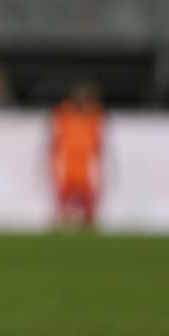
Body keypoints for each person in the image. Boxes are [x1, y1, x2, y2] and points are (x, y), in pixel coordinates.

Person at [50, 83, 104, 228]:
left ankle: (88, 224)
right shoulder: (64, 111)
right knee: (64, 199)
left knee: (88, 201)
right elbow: (56, 137)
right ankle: (63, 223)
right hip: (68, 164)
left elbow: (98, 140)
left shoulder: (95, 112)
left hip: (86, 165)